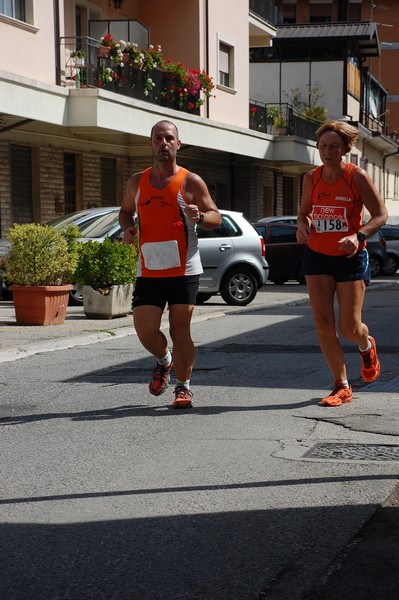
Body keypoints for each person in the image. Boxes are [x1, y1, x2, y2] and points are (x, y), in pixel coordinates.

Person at [119, 120, 221, 409]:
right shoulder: (137, 182)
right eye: (158, 138)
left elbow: (216, 216)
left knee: (180, 331)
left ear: (178, 144)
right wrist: (128, 229)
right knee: (145, 329)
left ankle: (183, 386)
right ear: (150, 144)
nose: (163, 143)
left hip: (184, 270)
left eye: (169, 138)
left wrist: (199, 217)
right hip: (149, 269)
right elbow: (125, 212)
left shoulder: (190, 181)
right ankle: (165, 361)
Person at [296, 119, 388, 407]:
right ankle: (341, 385)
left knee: (349, 327)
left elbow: (380, 215)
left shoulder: (356, 176)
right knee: (323, 324)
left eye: (334, 146)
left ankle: (366, 345)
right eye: (323, 146)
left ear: (345, 149)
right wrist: (302, 226)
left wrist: (358, 235)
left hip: (350, 258)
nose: (327, 151)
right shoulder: (311, 178)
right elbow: (303, 213)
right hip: (316, 255)